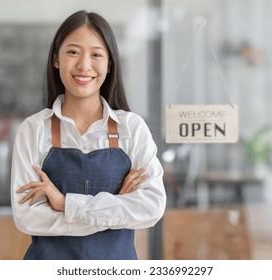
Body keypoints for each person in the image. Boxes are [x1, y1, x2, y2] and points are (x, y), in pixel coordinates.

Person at [10, 10, 166, 260]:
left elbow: (151, 207)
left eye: (96, 54)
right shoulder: (34, 129)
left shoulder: (132, 128)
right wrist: (116, 207)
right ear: (56, 59)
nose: (84, 65)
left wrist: (65, 204)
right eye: (73, 52)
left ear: (109, 63)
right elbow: (28, 218)